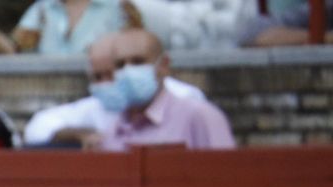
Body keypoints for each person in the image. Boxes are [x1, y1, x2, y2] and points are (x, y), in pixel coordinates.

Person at [22, 31, 206, 147]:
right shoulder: (100, 104)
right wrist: (81, 135)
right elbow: (38, 127)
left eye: (111, 73)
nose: (105, 84)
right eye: (97, 77)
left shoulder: (183, 98)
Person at [96, 27, 234, 150]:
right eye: (120, 65)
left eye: (138, 62)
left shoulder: (199, 116)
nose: (128, 71)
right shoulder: (114, 129)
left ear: (164, 65)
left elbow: (227, 173)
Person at [11, 0, 136, 54]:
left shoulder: (118, 7)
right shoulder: (41, 9)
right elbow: (17, 52)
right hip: (48, 92)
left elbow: (135, 54)